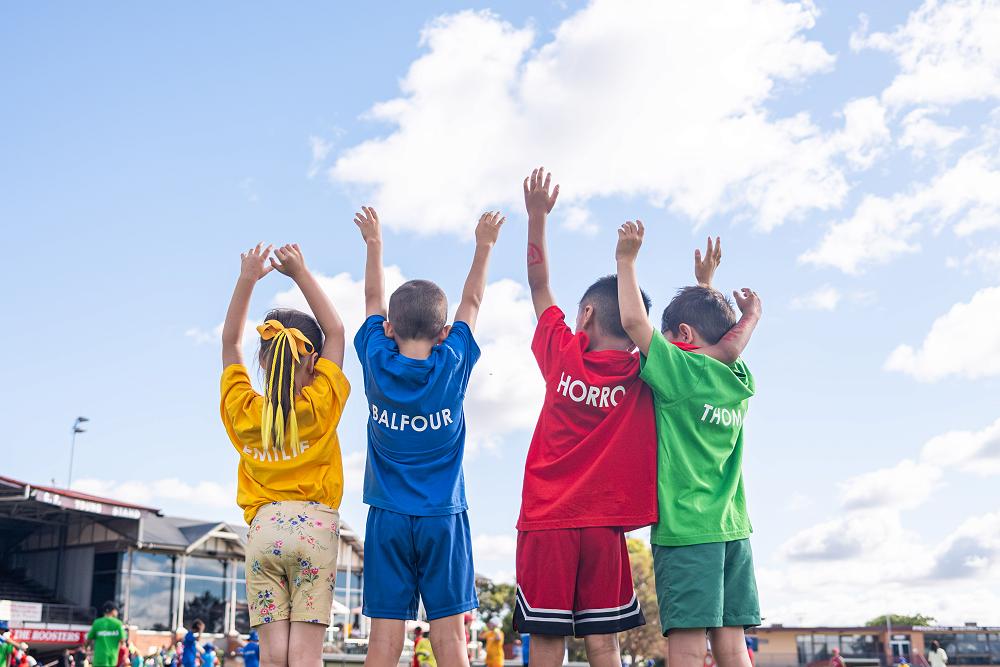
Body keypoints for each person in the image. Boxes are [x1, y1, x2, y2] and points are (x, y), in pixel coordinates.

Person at [513, 168, 677, 667]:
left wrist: (537, 216)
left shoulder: (563, 353)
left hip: (547, 521)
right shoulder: (645, 371)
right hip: (605, 526)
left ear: (585, 315)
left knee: (547, 641)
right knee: (605, 644)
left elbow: (539, 283)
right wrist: (629, 265)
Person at [352, 207, 504, 667]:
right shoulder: (452, 362)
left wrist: (374, 243)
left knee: (383, 639)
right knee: (451, 639)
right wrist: (484, 245)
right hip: (443, 517)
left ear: (389, 329)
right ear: (443, 333)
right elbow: (472, 302)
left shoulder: (376, 359)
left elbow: (372, 298)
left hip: (388, 517)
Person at [615, 220, 761, 667]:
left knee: (688, 645)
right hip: (733, 530)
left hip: (687, 531)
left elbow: (632, 321)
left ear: (681, 335)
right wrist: (711, 291)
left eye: (668, 340)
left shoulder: (681, 374)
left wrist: (626, 259)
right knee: (732, 645)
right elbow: (723, 342)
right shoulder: (737, 377)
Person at [220, 242, 350, 667]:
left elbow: (229, 342)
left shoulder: (245, 412)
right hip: (315, 529)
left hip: (263, 532)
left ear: (262, 360)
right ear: (313, 361)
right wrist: (300, 273)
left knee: (274, 656)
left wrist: (246, 279)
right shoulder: (320, 405)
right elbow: (337, 332)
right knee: (305, 656)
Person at [86, 602, 127, 667]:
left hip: (98, 659)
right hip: (111, 659)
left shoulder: (97, 623)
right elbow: (123, 640)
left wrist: (86, 648)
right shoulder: (118, 624)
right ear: (113, 611)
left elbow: (89, 639)